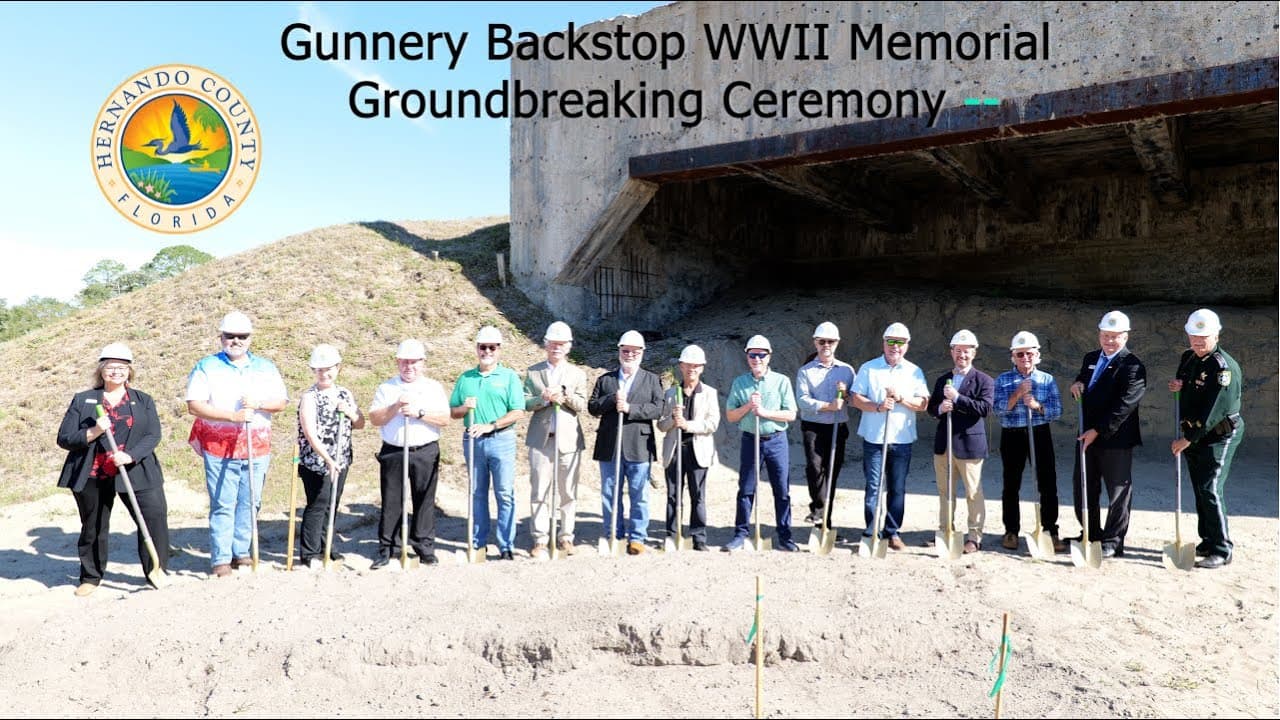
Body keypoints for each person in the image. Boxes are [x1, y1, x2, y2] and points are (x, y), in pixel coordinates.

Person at [56, 343, 170, 596]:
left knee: (154, 518)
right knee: (94, 525)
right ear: (101, 370)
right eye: (110, 367)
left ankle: (157, 570)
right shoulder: (84, 399)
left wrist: (130, 456)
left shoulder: (143, 400)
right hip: (94, 472)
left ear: (129, 371)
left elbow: (153, 434)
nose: (116, 371)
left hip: (136, 469)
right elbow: (65, 438)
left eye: (122, 367)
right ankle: (91, 577)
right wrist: (95, 430)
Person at [185, 311, 288, 577]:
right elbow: (194, 405)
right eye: (230, 336)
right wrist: (232, 416)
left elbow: (281, 402)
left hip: (257, 446)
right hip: (219, 447)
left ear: (250, 338)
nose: (236, 341)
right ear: (221, 337)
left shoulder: (266, 367)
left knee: (250, 502)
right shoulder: (206, 366)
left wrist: (258, 404)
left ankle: (241, 552)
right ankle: (221, 558)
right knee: (223, 502)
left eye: (242, 336)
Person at [1069, 310, 1147, 559]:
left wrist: (1098, 430)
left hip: (1115, 439)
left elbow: (1125, 405)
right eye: (1105, 335)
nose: (1109, 340)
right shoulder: (1091, 357)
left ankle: (1113, 541)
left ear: (1125, 337)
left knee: (1118, 492)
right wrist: (1076, 384)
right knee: (1084, 486)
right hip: (1086, 434)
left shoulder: (1133, 366)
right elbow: (1084, 381)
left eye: (1115, 336)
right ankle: (1091, 533)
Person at [1169, 308, 1243, 570]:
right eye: (1194, 336)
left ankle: (1223, 549)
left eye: (1204, 337)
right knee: (1200, 488)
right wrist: (1178, 386)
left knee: (1210, 487)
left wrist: (1187, 439)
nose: (1198, 342)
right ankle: (1208, 539)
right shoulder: (1189, 357)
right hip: (1195, 433)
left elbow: (1213, 411)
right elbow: (1186, 384)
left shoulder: (1223, 368)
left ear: (1217, 336)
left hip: (1219, 434)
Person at [368, 339, 450, 567]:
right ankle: (388, 548)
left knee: (424, 499)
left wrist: (418, 413)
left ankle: (424, 547)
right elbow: (375, 419)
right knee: (391, 500)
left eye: (414, 362)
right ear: (397, 362)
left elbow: (444, 419)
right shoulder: (387, 388)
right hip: (393, 451)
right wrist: (395, 407)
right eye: (404, 362)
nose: (409, 366)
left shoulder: (433, 388)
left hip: (424, 451)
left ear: (422, 362)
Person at [850, 323, 930, 551]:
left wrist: (901, 398)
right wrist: (878, 406)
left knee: (897, 488)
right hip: (874, 439)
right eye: (891, 341)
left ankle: (892, 532)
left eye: (900, 342)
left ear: (907, 345)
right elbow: (855, 398)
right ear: (884, 343)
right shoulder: (869, 368)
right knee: (873, 487)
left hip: (901, 439)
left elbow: (923, 403)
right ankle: (872, 531)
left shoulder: (914, 371)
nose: (895, 346)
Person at [450, 326, 525, 560]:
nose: (487, 352)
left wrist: (492, 425)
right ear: (477, 349)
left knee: (504, 493)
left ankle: (506, 545)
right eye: (483, 347)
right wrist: (465, 408)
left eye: (492, 347)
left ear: (499, 349)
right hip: (473, 441)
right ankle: (478, 542)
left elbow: (518, 411)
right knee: (477, 493)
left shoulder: (509, 377)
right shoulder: (466, 378)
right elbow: (453, 412)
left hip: (501, 439)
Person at [588, 330, 664, 555]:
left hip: (639, 446)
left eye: (634, 351)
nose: (629, 355)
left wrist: (631, 408)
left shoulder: (652, 379)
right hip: (610, 446)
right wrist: (612, 399)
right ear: (619, 351)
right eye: (625, 351)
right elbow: (593, 407)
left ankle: (637, 538)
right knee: (610, 493)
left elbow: (658, 409)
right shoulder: (606, 380)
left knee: (639, 495)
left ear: (642, 353)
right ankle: (614, 534)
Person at [992, 331, 1066, 553]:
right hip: (1012, 434)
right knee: (1011, 483)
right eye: (1020, 354)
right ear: (1013, 356)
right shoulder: (1003, 380)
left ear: (1037, 355)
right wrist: (1017, 394)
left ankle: (1050, 530)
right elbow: (997, 410)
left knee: (1047, 483)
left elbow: (1057, 410)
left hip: (1039, 432)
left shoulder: (1046, 379)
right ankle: (1011, 530)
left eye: (1029, 354)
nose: (1025, 358)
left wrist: (1037, 406)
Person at [724, 335, 799, 552]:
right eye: (752, 355)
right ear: (747, 357)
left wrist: (765, 412)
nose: (757, 359)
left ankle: (785, 536)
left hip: (776, 441)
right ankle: (740, 535)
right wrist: (749, 406)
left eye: (761, 355)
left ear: (769, 356)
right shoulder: (740, 383)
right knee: (746, 489)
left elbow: (791, 414)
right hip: (751, 440)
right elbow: (731, 416)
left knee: (782, 490)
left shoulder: (781, 381)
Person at [523, 321, 589, 558]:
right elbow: (525, 402)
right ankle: (540, 538)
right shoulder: (533, 372)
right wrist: (542, 399)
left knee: (568, 491)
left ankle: (566, 537)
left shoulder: (578, 374)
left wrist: (565, 396)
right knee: (539, 490)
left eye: (561, 344)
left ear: (568, 347)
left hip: (568, 440)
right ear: (546, 344)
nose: (556, 347)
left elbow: (581, 405)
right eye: (553, 343)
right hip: (541, 440)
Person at [296, 344, 365, 568]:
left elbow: (361, 423)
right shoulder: (310, 397)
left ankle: (327, 547)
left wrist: (350, 412)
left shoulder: (345, 393)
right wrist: (327, 459)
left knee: (332, 504)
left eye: (329, 369)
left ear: (338, 368)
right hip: (317, 462)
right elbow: (309, 432)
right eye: (319, 370)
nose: (324, 374)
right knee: (318, 504)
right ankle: (310, 553)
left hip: (342, 458)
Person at [925, 329, 994, 553]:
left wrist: (957, 398)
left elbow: (985, 408)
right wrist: (940, 408)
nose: (962, 355)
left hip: (969, 445)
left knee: (973, 492)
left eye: (966, 351)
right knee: (945, 492)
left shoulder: (983, 380)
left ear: (974, 353)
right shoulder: (942, 379)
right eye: (958, 350)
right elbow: (931, 408)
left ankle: (974, 537)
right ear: (951, 352)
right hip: (944, 445)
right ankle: (945, 531)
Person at [657, 344, 720, 552]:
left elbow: (712, 424)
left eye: (696, 366)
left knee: (698, 495)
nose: (691, 369)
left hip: (697, 449)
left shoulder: (709, 393)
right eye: (688, 365)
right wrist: (673, 420)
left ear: (702, 368)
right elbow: (661, 425)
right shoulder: (670, 393)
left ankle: (698, 537)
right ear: (681, 366)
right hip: (674, 449)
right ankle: (672, 535)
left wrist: (687, 425)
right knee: (673, 495)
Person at [795, 322, 854, 529]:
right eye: (822, 341)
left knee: (832, 472)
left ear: (837, 343)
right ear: (815, 343)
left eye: (830, 341)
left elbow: (855, 398)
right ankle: (818, 510)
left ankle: (825, 521)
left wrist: (845, 394)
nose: (826, 345)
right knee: (814, 468)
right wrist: (828, 406)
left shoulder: (847, 370)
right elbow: (802, 400)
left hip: (838, 426)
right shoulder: (805, 371)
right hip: (813, 426)